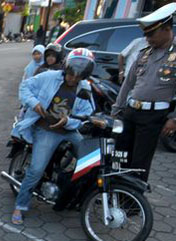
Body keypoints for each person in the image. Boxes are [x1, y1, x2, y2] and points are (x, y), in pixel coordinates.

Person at [11, 49, 98, 225]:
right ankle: (20, 205)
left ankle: (75, 197)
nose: (73, 79)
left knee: (91, 160)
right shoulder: (49, 77)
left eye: (78, 76)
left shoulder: (85, 87)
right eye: (71, 74)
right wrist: (34, 104)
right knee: (36, 170)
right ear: (66, 68)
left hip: (69, 130)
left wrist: (68, 121)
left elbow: (88, 112)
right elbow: (25, 86)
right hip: (46, 129)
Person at [111, 2, 176, 182]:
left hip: (154, 116)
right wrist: (117, 109)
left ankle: (131, 204)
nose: (147, 39)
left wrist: (173, 118)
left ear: (166, 29)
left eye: (151, 34)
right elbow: (128, 84)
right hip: (131, 112)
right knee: (119, 155)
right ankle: (114, 193)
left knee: (139, 162)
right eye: (146, 34)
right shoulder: (144, 53)